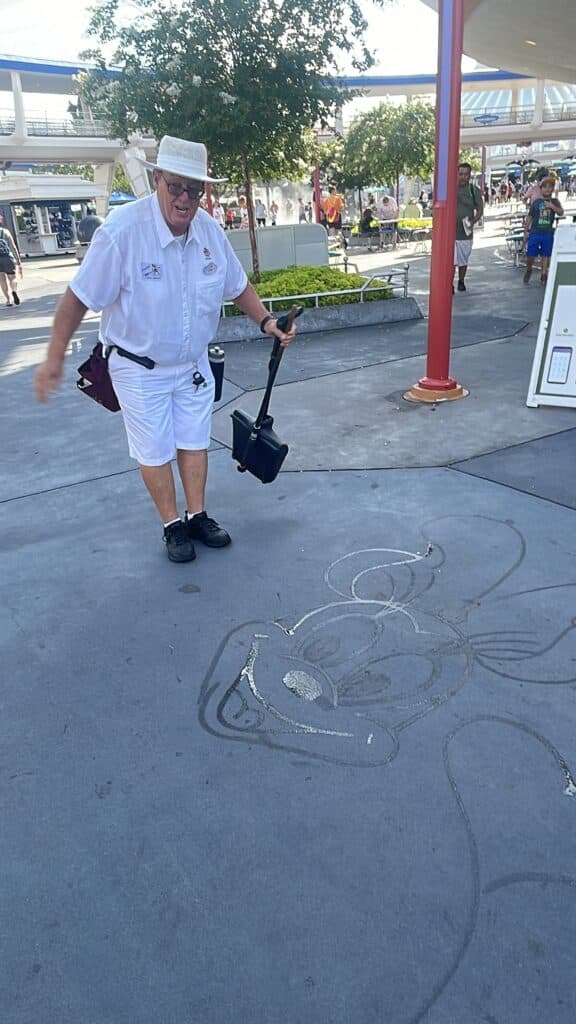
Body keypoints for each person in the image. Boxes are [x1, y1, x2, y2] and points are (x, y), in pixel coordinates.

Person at [34, 135, 297, 564]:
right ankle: (172, 524)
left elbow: (237, 286)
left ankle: (197, 515)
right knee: (155, 449)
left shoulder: (210, 230)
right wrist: (53, 357)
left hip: (191, 364)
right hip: (138, 367)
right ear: (157, 180)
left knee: (194, 441)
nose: (185, 198)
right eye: (176, 186)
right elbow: (77, 298)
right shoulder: (122, 233)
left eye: (195, 190)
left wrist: (267, 321)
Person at [523, 175, 563, 286]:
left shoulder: (555, 201)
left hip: (547, 232)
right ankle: (529, 268)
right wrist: (526, 230)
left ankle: (544, 274)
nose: (547, 189)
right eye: (545, 187)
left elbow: (561, 212)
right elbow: (530, 216)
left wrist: (551, 206)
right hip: (535, 232)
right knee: (531, 255)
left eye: (550, 186)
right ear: (540, 189)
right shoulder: (536, 202)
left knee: (546, 254)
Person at [454, 162, 484, 293]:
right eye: (461, 174)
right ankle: (449, 284)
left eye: (466, 174)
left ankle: (461, 280)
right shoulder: (450, 188)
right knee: (451, 262)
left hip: (465, 232)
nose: (463, 177)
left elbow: (480, 209)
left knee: (463, 260)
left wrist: (473, 221)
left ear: (469, 175)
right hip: (451, 232)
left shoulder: (473, 190)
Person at [0, 215, 23, 306]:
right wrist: (18, 260)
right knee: (12, 277)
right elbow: (13, 247)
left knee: (2, 280)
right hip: (7, 257)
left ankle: (8, 300)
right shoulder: (6, 232)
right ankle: (14, 291)